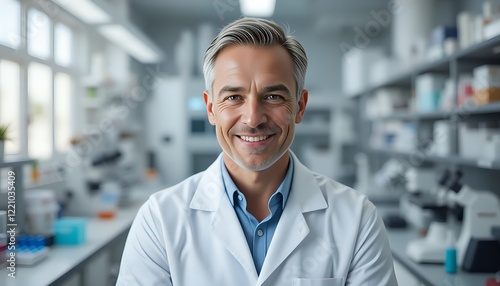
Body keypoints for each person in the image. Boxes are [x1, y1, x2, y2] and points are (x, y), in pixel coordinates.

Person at [117, 17, 398, 286]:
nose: (253, 119)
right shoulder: (160, 220)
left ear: (299, 107)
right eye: (234, 97)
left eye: (273, 96)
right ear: (211, 108)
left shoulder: (357, 218)